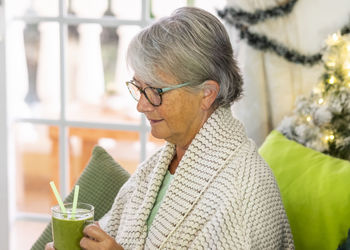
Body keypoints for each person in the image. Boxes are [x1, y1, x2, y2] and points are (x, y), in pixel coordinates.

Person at [46, 6, 294, 250]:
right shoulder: (157, 166)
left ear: (207, 94)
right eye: (139, 88)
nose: (141, 106)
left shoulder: (244, 193)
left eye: (155, 91)